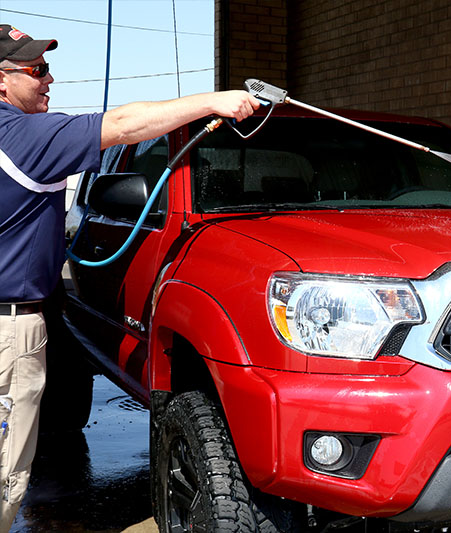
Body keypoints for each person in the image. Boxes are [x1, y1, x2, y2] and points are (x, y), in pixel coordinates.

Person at [0, 24, 259, 531]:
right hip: (9, 332)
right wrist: (216, 100)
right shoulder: (23, 136)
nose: (49, 79)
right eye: (37, 69)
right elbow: (122, 124)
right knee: (5, 477)